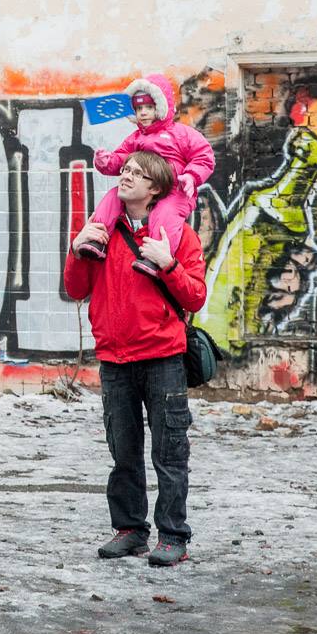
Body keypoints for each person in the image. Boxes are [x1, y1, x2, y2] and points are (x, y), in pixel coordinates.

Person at [65, 150, 208, 567]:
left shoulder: (178, 235)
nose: (125, 176)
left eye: (137, 173)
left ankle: (173, 536)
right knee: (123, 452)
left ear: (156, 188)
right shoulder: (102, 231)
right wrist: (76, 250)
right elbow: (76, 289)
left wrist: (168, 265)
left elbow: (196, 296)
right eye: (124, 170)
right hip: (115, 360)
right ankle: (130, 531)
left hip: (163, 358)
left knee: (170, 453)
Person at [76, 73, 214, 277]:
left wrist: (192, 176)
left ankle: (155, 257)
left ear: (161, 106)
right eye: (139, 108)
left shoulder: (181, 134)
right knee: (112, 197)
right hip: (144, 187)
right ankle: (97, 239)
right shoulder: (136, 138)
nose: (143, 113)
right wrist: (106, 161)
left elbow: (204, 155)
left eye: (149, 107)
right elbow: (122, 158)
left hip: (175, 190)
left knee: (165, 214)